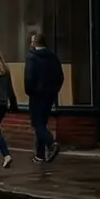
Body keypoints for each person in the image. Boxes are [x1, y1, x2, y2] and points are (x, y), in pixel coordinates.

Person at [23, 32, 64, 163]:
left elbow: (29, 78)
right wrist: (54, 90)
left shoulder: (32, 57)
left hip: (37, 95)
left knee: (37, 123)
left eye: (31, 42)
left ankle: (51, 143)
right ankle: (39, 155)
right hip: (50, 95)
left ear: (35, 43)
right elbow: (60, 77)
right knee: (42, 123)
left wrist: (30, 92)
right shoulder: (53, 57)